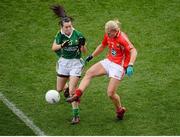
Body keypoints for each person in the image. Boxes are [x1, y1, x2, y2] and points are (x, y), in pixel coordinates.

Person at [67, 19, 137, 120]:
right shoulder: (108, 35)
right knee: (89, 73)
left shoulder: (122, 38)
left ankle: (120, 110)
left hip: (119, 66)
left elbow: (133, 50)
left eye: (109, 33)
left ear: (115, 31)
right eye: (106, 33)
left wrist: (130, 65)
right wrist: (92, 56)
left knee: (110, 94)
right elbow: (102, 45)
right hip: (109, 61)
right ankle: (77, 95)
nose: (107, 35)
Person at [50, 4, 87, 124]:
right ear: (62, 26)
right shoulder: (59, 35)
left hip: (76, 63)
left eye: (70, 26)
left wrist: (82, 45)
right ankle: (66, 87)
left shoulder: (78, 34)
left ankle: (76, 116)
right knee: (59, 89)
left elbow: (84, 52)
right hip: (63, 63)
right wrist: (62, 45)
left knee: (72, 91)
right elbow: (53, 48)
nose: (69, 29)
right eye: (66, 27)